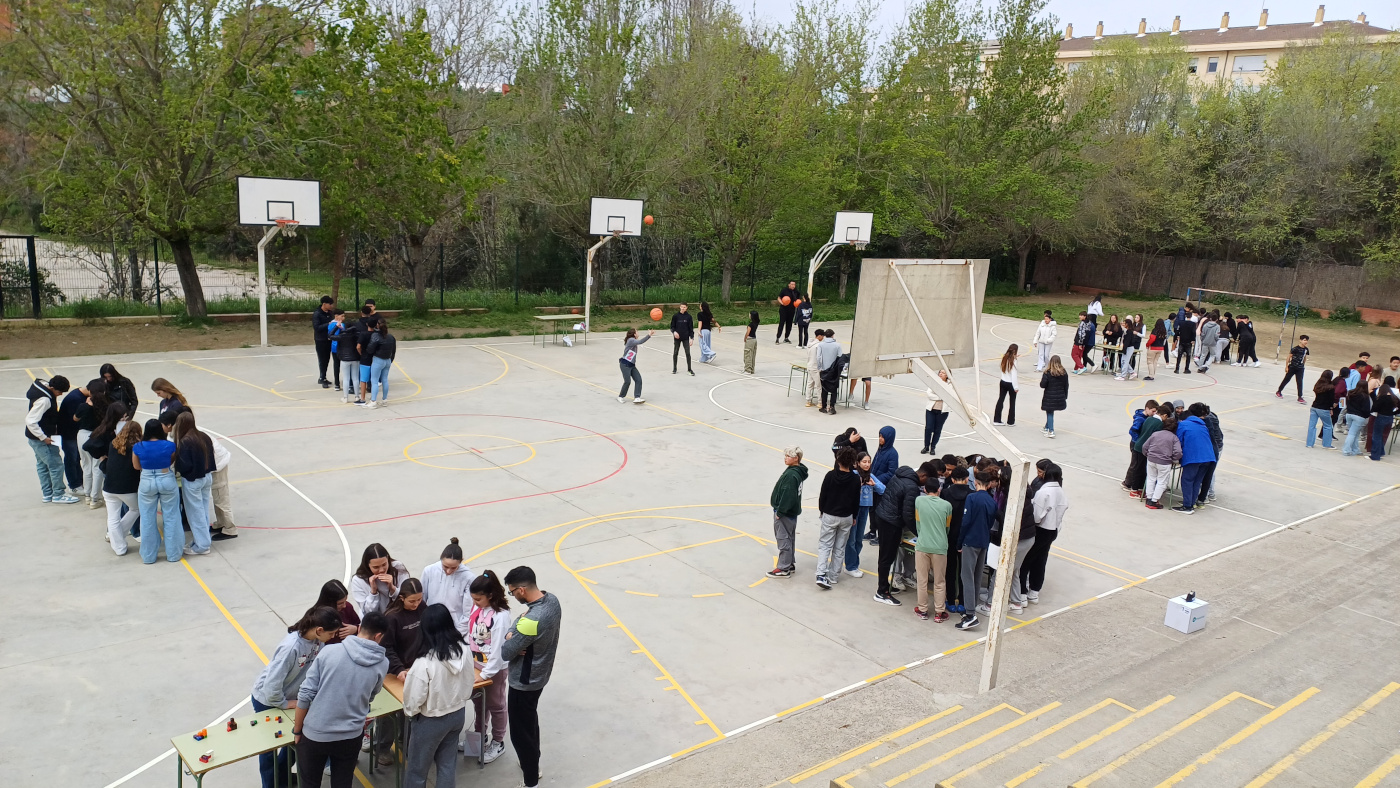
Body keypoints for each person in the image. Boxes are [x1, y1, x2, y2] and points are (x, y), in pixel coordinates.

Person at [293, 612, 390, 788]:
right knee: (343, 783)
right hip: (350, 736)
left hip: (316, 735)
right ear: (379, 636)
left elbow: (305, 694)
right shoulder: (382, 663)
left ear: (359, 628)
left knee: (309, 783)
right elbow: (370, 697)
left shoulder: (329, 651)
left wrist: (298, 730)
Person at [252, 606, 341, 788]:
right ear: (319, 630)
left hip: (291, 697)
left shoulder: (318, 642)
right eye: (331, 633)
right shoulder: (290, 647)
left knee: (295, 740)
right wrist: (285, 704)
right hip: (268, 701)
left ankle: (282, 778)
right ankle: (271, 785)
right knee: (270, 748)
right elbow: (271, 686)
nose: (333, 637)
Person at [500, 566, 563, 788]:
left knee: (519, 733)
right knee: (529, 721)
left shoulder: (531, 620)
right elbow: (519, 626)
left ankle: (530, 781)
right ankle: (532, 764)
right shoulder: (551, 600)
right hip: (541, 674)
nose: (512, 596)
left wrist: (511, 636)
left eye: (512, 592)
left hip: (523, 681)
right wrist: (515, 631)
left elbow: (506, 652)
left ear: (522, 590)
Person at [401, 603, 473, 788]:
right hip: (458, 714)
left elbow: (413, 699)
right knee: (447, 765)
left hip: (430, 720)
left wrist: (410, 713)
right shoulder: (464, 649)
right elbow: (469, 681)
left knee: (417, 770)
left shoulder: (424, 662)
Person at [465, 571, 513, 763]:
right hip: (476, 664)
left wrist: (486, 674)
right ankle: (479, 736)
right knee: (478, 703)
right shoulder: (478, 608)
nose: (475, 602)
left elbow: (498, 649)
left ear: (490, 595)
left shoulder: (500, 617)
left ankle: (498, 741)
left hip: (493, 670)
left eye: (478, 599)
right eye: (473, 599)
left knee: (496, 705)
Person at [954, 470, 998, 630]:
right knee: (977, 576)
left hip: (970, 541)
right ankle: (972, 609)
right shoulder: (992, 502)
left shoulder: (971, 498)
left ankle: (970, 613)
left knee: (966, 577)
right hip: (983, 542)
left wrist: (959, 543)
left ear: (977, 483)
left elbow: (965, 522)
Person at [132, 419, 181, 563]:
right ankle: (173, 554)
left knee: (147, 518)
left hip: (147, 479)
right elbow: (171, 460)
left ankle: (148, 556)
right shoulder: (169, 445)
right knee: (171, 516)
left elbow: (136, 466)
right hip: (166, 477)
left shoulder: (138, 446)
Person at [26, 375, 79, 504]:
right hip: (42, 439)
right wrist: (43, 438)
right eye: (59, 392)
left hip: (36, 438)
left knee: (42, 465)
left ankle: (47, 493)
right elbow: (30, 421)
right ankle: (58, 494)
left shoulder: (42, 389)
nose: (60, 395)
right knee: (56, 465)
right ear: (53, 388)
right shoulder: (45, 400)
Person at [872, 464, 920, 606]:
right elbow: (908, 515)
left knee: (886, 556)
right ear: (923, 476)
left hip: (883, 516)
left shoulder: (900, 475)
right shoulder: (912, 487)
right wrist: (919, 532)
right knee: (887, 557)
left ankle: (884, 586)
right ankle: (882, 592)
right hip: (890, 522)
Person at [814, 447, 861, 590]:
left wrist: (822, 510)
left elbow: (823, 495)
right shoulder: (855, 479)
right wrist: (854, 516)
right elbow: (856, 500)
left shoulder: (830, 475)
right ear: (853, 462)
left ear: (838, 460)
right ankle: (834, 576)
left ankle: (821, 573)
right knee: (840, 547)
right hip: (846, 516)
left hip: (830, 514)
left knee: (825, 545)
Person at [1020, 464, 1067, 602]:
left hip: (1040, 529)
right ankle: (1034, 591)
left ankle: (1022, 594)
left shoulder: (1044, 492)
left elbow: (1036, 515)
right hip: (1053, 530)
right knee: (1041, 560)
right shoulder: (1061, 492)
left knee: (1026, 560)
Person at [173, 411, 215, 557]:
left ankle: (202, 545)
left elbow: (184, 464)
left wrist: (178, 470)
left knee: (195, 513)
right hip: (207, 476)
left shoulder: (185, 441)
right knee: (203, 510)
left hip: (193, 480)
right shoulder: (204, 436)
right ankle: (202, 540)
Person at [912, 476, 952, 622]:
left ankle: (922, 610)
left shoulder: (919, 501)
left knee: (922, 580)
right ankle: (939, 612)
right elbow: (947, 527)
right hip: (940, 547)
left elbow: (918, 523)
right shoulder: (947, 506)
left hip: (922, 544)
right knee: (940, 581)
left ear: (924, 489)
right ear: (939, 490)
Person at [102, 419, 143, 553]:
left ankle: (119, 546)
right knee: (136, 509)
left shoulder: (113, 444)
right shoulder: (137, 447)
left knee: (112, 517)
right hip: (127, 488)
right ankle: (119, 538)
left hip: (108, 487)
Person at [767, 446, 808, 578]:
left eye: (788, 456)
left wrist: (780, 511)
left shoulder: (791, 475)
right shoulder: (797, 471)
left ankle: (783, 568)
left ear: (796, 458)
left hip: (785, 513)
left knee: (783, 538)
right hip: (791, 513)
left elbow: (788, 495)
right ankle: (789, 563)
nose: (785, 458)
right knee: (789, 538)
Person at [422, 537, 476, 634]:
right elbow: (422, 599)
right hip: (432, 625)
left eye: (453, 568)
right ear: (441, 558)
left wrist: (458, 632)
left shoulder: (468, 578)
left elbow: (468, 611)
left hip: (454, 628)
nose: (448, 571)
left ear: (461, 561)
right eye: (445, 566)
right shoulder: (429, 571)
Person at [846, 451, 884, 577]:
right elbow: (847, 491)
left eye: (869, 461)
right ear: (857, 463)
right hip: (854, 509)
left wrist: (874, 484)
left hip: (865, 509)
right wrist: (859, 485)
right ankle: (850, 566)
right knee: (851, 539)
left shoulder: (870, 476)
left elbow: (883, 489)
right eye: (864, 462)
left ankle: (854, 564)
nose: (867, 464)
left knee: (858, 539)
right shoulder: (854, 475)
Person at [939, 465, 972, 613]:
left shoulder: (945, 493)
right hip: (966, 537)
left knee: (950, 569)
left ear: (952, 479)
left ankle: (950, 600)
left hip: (949, 536)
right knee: (965, 570)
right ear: (967, 479)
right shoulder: (971, 495)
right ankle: (964, 602)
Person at [74, 380, 111, 507]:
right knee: (97, 467)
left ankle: (87, 494)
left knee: (86, 466)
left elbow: (75, 418)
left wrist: (86, 405)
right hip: (98, 436)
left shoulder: (84, 406)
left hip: (83, 435)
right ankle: (95, 498)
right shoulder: (106, 406)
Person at [1173, 404, 1215, 514]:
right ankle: (1191, 503)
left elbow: (1178, 442)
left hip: (1194, 457)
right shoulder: (1202, 425)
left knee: (1187, 480)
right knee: (1197, 481)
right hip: (1208, 457)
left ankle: (1187, 506)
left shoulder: (1184, 425)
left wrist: (1176, 457)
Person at [350, 543, 411, 615]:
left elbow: (408, 598)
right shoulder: (358, 580)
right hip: (375, 623)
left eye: (384, 564)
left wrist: (392, 589)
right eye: (376, 567)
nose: (381, 570)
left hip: (398, 617)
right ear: (368, 565)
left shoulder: (398, 568)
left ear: (388, 559)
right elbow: (368, 612)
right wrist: (373, 592)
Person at [296, 579, 360, 645]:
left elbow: (361, 627)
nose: (344, 606)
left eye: (345, 601)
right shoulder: (316, 617)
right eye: (340, 603)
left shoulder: (347, 607)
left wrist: (356, 629)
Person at [1142, 407, 1182, 509]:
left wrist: (1148, 454)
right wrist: (1173, 459)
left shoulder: (1155, 434)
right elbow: (1178, 452)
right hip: (1164, 462)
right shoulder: (1174, 438)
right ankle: (1154, 501)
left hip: (1151, 459)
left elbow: (1145, 446)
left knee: (1151, 478)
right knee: (1162, 481)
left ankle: (1149, 497)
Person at [56, 379, 88, 496]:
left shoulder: (79, 395)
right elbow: (76, 419)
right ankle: (74, 485)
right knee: (72, 459)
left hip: (73, 434)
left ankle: (79, 482)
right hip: (69, 435)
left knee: (76, 459)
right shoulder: (75, 399)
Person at [1122, 399, 1159, 497]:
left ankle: (1134, 484)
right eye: (1153, 411)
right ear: (1147, 409)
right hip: (1136, 444)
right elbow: (1133, 430)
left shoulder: (1147, 417)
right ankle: (1128, 484)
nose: (1154, 413)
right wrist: (1139, 440)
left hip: (1141, 444)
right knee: (1135, 466)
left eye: (1156, 411)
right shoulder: (1140, 419)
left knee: (1138, 465)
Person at [365, 319, 396, 408]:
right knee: (385, 380)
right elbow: (393, 350)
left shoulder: (376, 336)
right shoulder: (391, 337)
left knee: (374, 381)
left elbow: (370, 349)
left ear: (377, 326)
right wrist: (391, 359)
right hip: (387, 360)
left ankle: (373, 401)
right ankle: (384, 400)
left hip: (378, 360)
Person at [618, 328, 653, 403]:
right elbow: (640, 341)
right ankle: (621, 396)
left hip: (631, 365)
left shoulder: (633, 341)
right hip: (625, 364)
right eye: (637, 332)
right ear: (634, 334)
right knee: (627, 381)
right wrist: (649, 335)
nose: (638, 333)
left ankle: (637, 397)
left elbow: (638, 343)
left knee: (638, 380)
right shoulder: (631, 340)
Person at [1040, 356, 1069, 438]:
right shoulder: (1063, 372)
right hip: (1060, 395)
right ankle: (1046, 427)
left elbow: (1043, 385)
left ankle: (1051, 430)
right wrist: (1065, 396)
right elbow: (1066, 385)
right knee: (1050, 411)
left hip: (1049, 396)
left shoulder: (1047, 372)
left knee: (1049, 412)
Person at [1308, 371, 1338, 449]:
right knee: (1328, 426)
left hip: (1314, 406)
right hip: (1323, 408)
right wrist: (1331, 408)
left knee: (1312, 426)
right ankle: (1327, 444)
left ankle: (1309, 443)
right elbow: (1330, 400)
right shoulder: (1330, 387)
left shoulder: (1318, 385)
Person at [1370, 378, 1398, 462]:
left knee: (1376, 436)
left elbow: (1375, 408)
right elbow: (1398, 409)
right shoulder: (1394, 398)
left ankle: (1375, 455)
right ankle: (1381, 451)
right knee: (1381, 435)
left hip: (1381, 417)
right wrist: (1392, 413)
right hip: (1390, 418)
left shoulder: (1382, 398)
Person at [922, 371, 950, 455]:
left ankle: (933, 446)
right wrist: (941, 397)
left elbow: (948, 396)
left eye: (943, 373)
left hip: (942, 411)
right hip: (931, 409)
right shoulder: (934, 382)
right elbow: (929, 394)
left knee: (937, 429)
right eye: (940, 372)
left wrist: (939, 396)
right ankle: (926, 446)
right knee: (928, 428)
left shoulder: (950, 385)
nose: (941, 374)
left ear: (947, 375)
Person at [1342, 378, 1372, 456]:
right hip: (1359, 416)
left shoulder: (1351, 393)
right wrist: (1366, 416)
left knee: (1355, 433)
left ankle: (1356, 449)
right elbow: (1366, 409)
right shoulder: (1365, 397)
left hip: (1349, 414)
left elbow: (1346, 403)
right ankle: (1346, 450)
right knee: (1352, 433)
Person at [817, 329, 844, 414]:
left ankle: (824, 407)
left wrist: (820, 367)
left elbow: (818, 357)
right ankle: (832, 406)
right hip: (834, 370)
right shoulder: (837, 345)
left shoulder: (821, 345)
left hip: (824, 369)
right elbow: (840, 357)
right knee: (834, 389)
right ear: (833, 335)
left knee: (824, 389)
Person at [336, 312, 361, 403]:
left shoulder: (342, 336)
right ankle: (357, 396)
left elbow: (330, 335)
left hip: (345, 359)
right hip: (355, 358)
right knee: (355, 378)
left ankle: (345, 397)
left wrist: (337, 327)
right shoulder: (356, 336)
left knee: (346, 378)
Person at [355, 306, 378, 405]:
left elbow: (358, 346)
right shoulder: (377, 334)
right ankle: (373, 398)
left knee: (363, 379)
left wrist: (361, 353)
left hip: (365, 358)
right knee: (374, 379)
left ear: (367, 324)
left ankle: (363, 399)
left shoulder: (363, 334)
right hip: (375, 357)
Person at [1276, 336, 1310, 403]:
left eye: (1306, 340)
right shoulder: (1295, 349)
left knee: (1300, 382)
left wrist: (1303, 365)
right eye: (1304, 340)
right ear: (1300, 340)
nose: (1305, 342)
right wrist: (1286, 366)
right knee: (1286, 379)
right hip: (1292, 367)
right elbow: (1289, 357)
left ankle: (1300, 397)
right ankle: (1279, 391)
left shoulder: (1306, 349)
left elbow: (1304, 357)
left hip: (1300, 368)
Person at [314, 295, 336, 388]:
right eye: (329, 304)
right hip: (321, 340)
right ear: (324, 304)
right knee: (322, 359)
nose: (331, 306)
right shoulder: (317, 314)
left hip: (330, 339)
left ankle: (324, 377)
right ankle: (322, 378)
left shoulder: (330, 313)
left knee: (327, 358)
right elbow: (317, 327)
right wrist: (328, 324)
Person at [993, 345, 1019, 426]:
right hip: (1011, 383)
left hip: (1003, 381)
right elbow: (1014, 375)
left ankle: (997, 419)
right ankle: (1011, 421)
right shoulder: (1013, 361)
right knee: (1012, 402)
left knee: (1001, 399)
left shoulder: (1004, 358)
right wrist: (1016, 387)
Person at [670, 303, 696, 375]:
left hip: (685, 338)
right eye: (681, 307)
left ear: (686, 308)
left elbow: (691, 328)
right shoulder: (675, 316)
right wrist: (674, 332)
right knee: (675, 352)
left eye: (684, 307)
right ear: (680, 307)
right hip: (677, 338)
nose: (683, 308)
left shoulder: (689, 317)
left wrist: (692, 338)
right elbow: (672, 326)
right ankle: (674, 368)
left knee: (687, 353)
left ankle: (689, 369)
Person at [327, 309, 346, 393]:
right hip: (340, 347)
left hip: (335, 347)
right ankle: (343, 383)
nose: (343, 317)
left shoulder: (331, 324)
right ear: (336, 316)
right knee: (342, 365)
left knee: (336, 365)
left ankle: (337, 384)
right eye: (342, 316)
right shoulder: (339, 325)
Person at [803, 329, 824, 406]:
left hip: (809, 365)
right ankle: (820, 402)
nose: (823, 338)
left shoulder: (810, 344)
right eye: (822, 336)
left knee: (810, 384)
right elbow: (819, 358)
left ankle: (808, 401)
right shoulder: (818, 345)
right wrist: (821, 367)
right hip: (815, 367)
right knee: (818, 386)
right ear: (819, 336)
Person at [1173, 308, 1197, 374]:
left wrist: (1177, 336)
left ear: (1185, 316)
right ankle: (1186, 369)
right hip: (1189, 341)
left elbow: (1177, 330)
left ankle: (1177, 368)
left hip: (1182, 340)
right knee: (1188, 355)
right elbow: (1193, 332)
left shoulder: (1181, 323)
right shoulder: (1192, 324)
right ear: (1191, 316)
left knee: (1179, 354)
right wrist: (1193, 339)